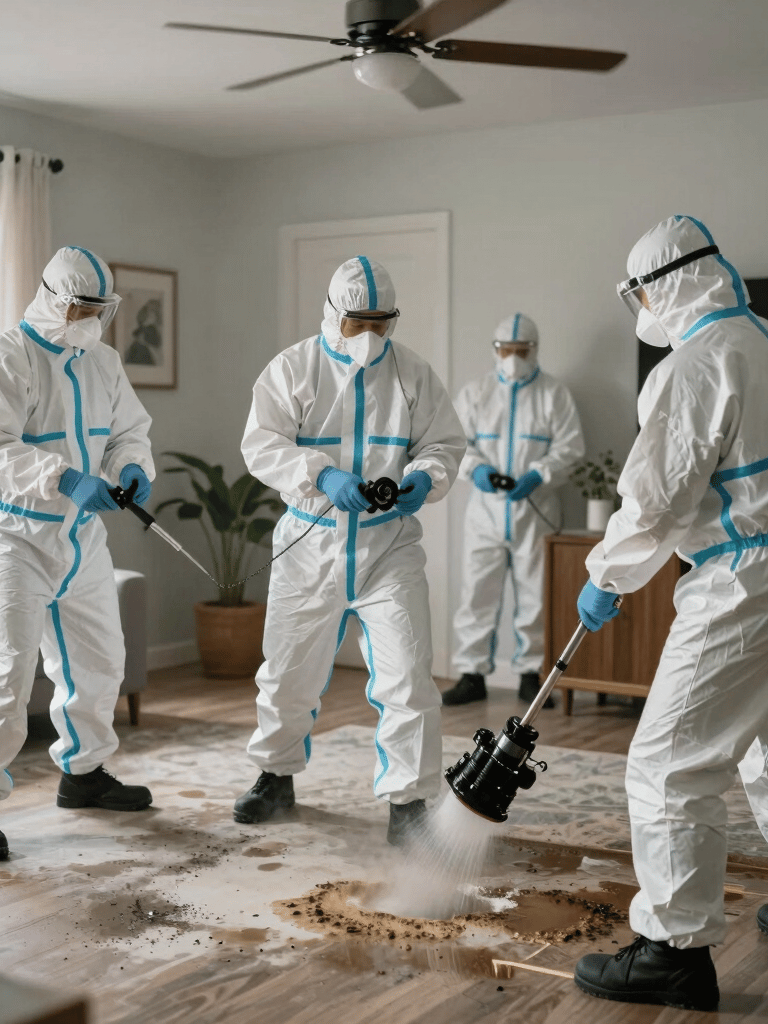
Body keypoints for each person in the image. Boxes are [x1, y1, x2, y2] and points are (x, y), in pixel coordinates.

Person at [573, 215, 768, 1013]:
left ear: (667, 283)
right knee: (759, 752)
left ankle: (673, 952)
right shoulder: (761, 337)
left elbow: (656, 502)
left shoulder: (696, 364)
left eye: (642, 290)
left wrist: (605, 576)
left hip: (741, 578)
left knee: (666, 763)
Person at [236, 256, 465, 845]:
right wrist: (321, 475)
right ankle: (275, 776)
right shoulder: (293, 368)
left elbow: (442, 443)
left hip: (389, 547)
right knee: (287, 672)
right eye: (357, 322)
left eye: (380, 323)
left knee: (408, 677)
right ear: (333, 314)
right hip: (310, 541)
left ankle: (410, 803)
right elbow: (260, 445)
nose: (370, 335)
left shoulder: (414, 373)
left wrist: (424, 477)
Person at [0, 246, 155, 862]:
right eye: (79, 306)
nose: (89, 317)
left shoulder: (105, 360)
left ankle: (84, 774)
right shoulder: (10, 353)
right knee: (7, 678)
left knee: (99, 662)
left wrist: (132, 467)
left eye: (99, 308)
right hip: (15, 537)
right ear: (50, 297)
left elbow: (128, 431)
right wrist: (64, 478)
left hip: (82, 537)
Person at [443, 313, 584, 707]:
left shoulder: (554, 395)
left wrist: (540, 473)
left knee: (536, 594)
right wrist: (477, 469)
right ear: (495, 350)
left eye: (521, 351)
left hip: (535, 512)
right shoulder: (475, 393)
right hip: (484, 513)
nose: (513, 358)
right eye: (506, 350)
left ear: (534, 350)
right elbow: (455, 445)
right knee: (476, 593)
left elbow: (571, 447)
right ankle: (472, 675)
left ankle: (529, 675)